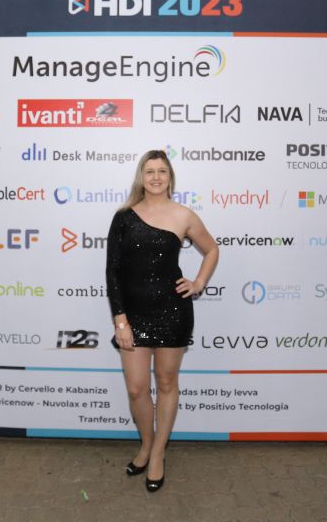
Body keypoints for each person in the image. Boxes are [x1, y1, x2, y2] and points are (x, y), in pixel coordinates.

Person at [105, 149, 219, 491]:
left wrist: (198, 283)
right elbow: (113, 272)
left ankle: (157, 454)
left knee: (167, 384)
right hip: (133, 316)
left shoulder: (184, 215)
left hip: (173, 311)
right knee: (137, 387)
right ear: (141, 177)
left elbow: (212, 249)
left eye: (162, 171)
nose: (156, 177)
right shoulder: (123, 217)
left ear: (170, 177)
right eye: (150, 171)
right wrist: (121, 321)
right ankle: (146, 443)